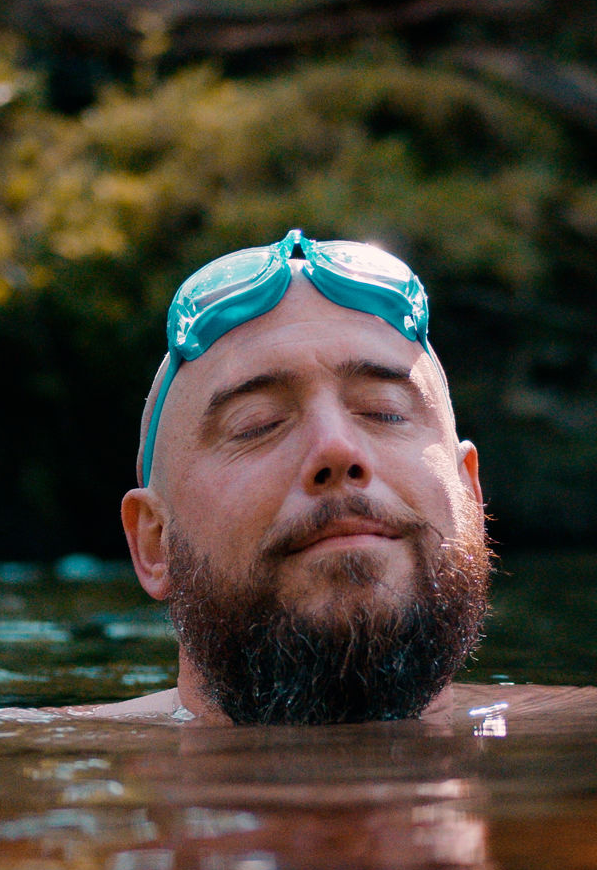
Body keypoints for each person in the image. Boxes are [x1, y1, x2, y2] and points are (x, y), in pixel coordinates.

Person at [103, 229, 494, 726]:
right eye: (257, 425)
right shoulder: (18, 772)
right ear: (154, 544)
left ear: (471, 499)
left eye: (385, 411)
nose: (335, 448)